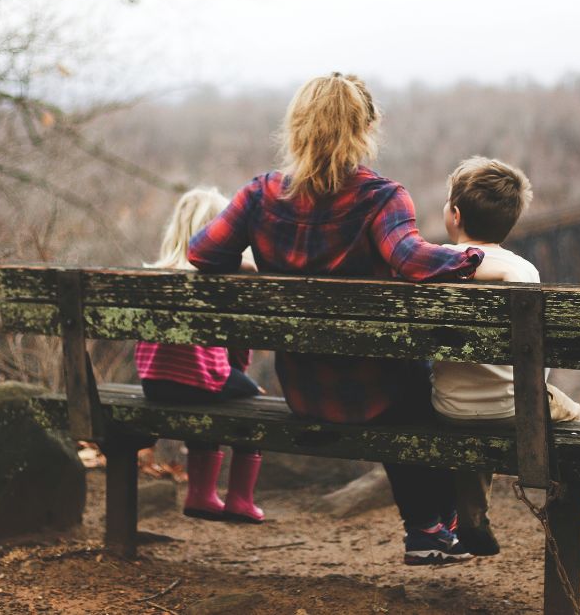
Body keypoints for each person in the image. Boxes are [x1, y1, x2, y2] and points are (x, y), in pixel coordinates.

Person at [188, 73, 484, 565]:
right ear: (366, 128)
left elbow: (202, 253)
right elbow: (412, 260)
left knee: (406, 381)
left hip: (305, 391)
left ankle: (434, 529)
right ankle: (431, 527)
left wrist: (251, 266)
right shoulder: (381, 198)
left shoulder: (259, 195)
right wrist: (472, 257)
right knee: (422, 383)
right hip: (378, 393)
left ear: (297, 127)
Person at [431, 155, 580, 576]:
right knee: (577, 421)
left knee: (474, 415)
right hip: (517, 408)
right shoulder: (522, 271)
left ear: (454, 215)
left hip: (449, 408)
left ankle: (472, 518)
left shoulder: (433, 264)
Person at [135, 187, 266, 524]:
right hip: (199, 380)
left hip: (154, 383)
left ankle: (201, 494)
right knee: (252, 402)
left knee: (208, 392)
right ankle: (239, 499)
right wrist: (242, 376)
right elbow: (237, 346)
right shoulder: (218, 278)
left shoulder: (155, 275)